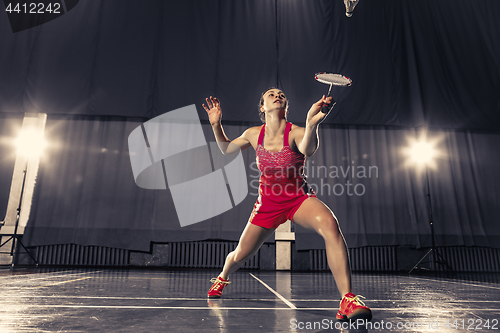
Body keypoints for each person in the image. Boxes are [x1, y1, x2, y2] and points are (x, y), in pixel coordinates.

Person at [202, 88, 372, 322]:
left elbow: (308, 149)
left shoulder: (296, 132)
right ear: (262, 106)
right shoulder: (253, 134)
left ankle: (347, 300)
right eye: (271, 94)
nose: (277, 95)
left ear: (286, 107)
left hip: (297, 199)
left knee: (330, 225)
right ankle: (222, 277)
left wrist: (312, 124)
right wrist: (215, 124)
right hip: (267, 204)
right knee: (240, 255)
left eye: (281, 94)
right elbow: (226, 149)